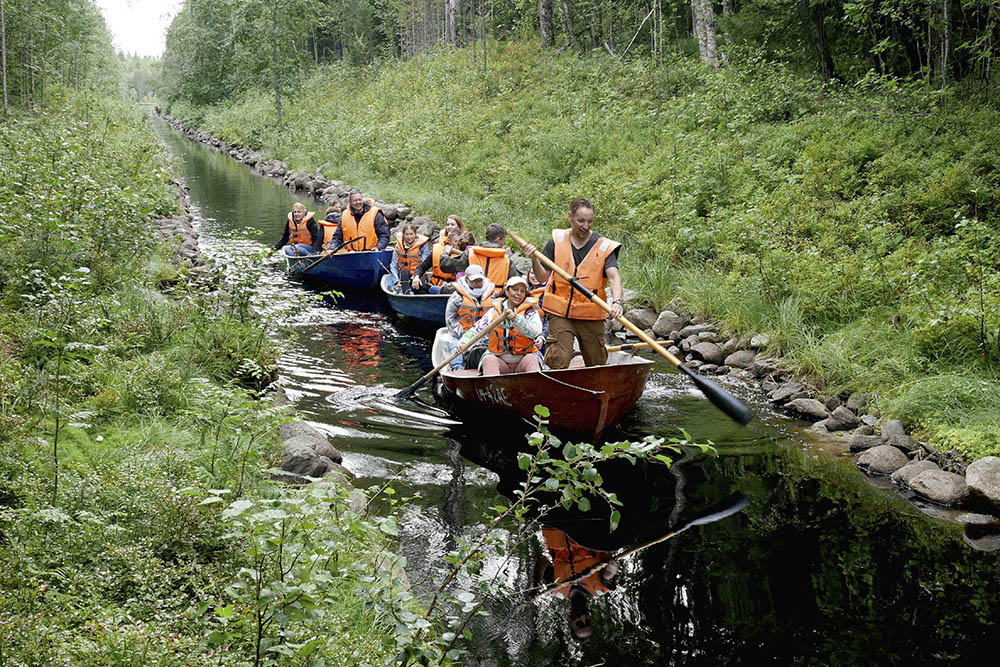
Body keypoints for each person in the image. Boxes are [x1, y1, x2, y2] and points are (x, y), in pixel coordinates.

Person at [522, 197, 623, 369]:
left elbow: (614, 277)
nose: (585, 226)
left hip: (590, 315)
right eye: (581, 221)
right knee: (557, 360)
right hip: (561, 314)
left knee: (597, 364)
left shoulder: (604, 246)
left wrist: (617, 302)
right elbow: (542, 278)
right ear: (570, 217)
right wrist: (534, 258)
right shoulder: (557, 240)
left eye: (590, 221)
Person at [534, 525, 619, 642]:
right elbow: (608, 574)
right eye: (587, 622)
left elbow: (542, 561)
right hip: (587, 528)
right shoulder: (601, 587)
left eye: (579, 624)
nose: (583, 618)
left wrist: (536, 585)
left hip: (556, 526)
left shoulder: (555, 588)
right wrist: (611, 569)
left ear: (569, 621)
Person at [458, 276, 542, 375]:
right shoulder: (494, 311)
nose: (518, 294)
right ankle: (493, 388)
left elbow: (535, 331)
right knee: (488, 359)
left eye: (522, 291)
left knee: (532, 359)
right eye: (515, 290)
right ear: (507, 291)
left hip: (523, 359)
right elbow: (477, 329)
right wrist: (464, 342)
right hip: (500, 360)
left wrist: (516, 319)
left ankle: (534, 389)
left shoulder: (530, 312)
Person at [444, 264, 494, 370]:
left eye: (480, 280)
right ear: (467, 280)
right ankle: (458, 368)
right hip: (461, 333)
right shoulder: (457, 297)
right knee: (455, 345)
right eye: (474, 280)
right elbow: (450, 319)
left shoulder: (492, 295)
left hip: (485, 335)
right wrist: (463, 334)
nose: (478, 283)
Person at [440, 223, 519, 290]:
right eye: (503, 240)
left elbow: (445, 266)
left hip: (472, 299)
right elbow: (515, 284)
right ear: (498, 239)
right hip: (496, 301)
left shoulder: (471, 255)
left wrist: (446, 253)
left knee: (445, 289)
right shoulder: (507, 260)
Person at [413, 230, 474, 294]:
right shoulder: (438, 250)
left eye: (460, 242)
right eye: (456, 241)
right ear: (449, 241)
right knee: (417, 286)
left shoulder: (465, 255)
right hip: (435, 284)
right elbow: (422, 267)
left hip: (453, 288)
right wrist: (416, 277)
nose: (458, 244)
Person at [389, 223, 430, 293]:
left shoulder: (423, 245)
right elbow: (393, 265)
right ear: (403, 235)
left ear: (415, 234)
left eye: (411, 234)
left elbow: (424, 263)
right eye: (406, 234)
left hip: (418, 274)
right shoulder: (398, 246)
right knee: (404, 272)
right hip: (403, 276)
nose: (409, 237)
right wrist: (396, 281)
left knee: (420, 288)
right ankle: (405, 293)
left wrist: (415, 277)